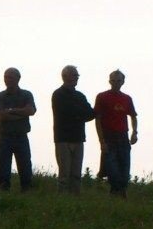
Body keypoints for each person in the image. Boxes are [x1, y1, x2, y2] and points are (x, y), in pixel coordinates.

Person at [51, 65, 96, 194]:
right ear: (65, 76)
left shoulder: (80, 96)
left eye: (77, 75)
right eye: (74, 75)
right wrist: (80, 113)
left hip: (78, 138)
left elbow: (90, 114)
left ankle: (75, 198)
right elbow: (68, 112)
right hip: (63, 139)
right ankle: (63, 199)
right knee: (64, 173)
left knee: (76, 173)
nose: (77, 77)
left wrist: (78, 114)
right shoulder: (58, 94)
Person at [94, 70, 138, 198]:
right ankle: (116, 192)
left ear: (123, 82)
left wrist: (134, 132)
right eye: (113, 80)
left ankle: (119, 193)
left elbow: (133, 116)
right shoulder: (102, 97)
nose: (116, 83)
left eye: (118, 81)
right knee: (112, 168)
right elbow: (98, 119)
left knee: (124, 167)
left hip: (123, 136)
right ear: (109, 81)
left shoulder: (127, 98)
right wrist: (102, 141)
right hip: (109, 136)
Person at [0, 67, 36, 192]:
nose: (7, 80)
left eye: (10, 77)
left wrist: (12, 111)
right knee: (3, 168)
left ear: (18, 78)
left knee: (25, 167)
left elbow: (31, 111)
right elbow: (1, 115)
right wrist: (22, 113)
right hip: (4, 136)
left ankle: (26, 192)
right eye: (5, 77)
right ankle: (4, 193)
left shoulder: (27, 94)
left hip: (21, 136)